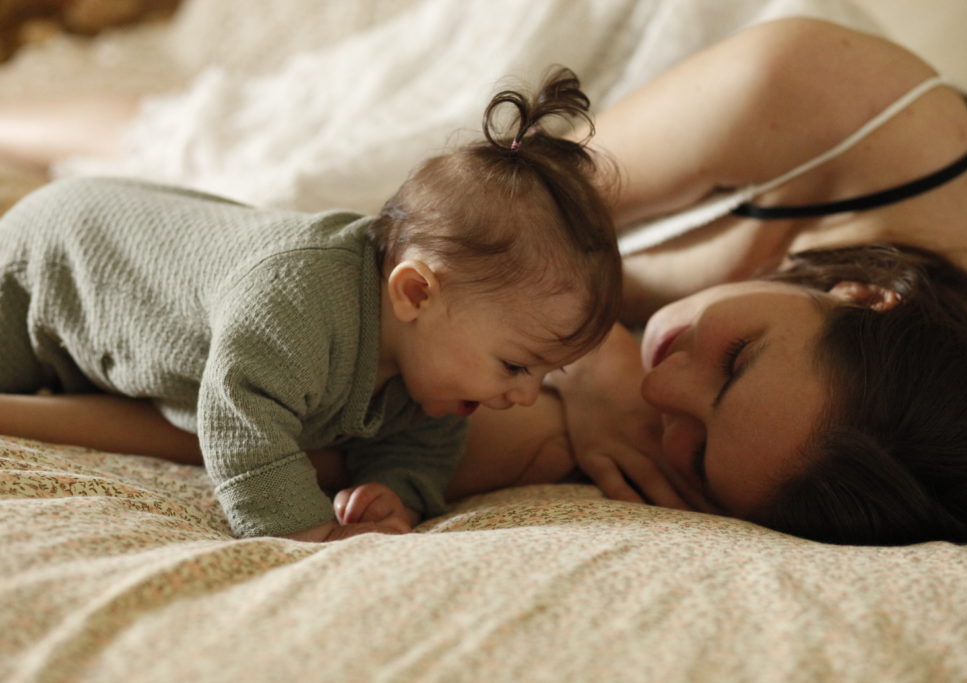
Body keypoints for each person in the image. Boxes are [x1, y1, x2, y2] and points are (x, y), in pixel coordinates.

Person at [2, 17, 967, 545]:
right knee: (271, 166)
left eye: (695, 445)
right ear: (862, 294)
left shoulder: (848, 461)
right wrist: (604, 361)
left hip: (475, 275)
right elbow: (514, 207)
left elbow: (290, 417)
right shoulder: (854, 110)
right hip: (549, 129)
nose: (667, 387)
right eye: (735, 359)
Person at [0, 67, 623, 543]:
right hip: (58, 265)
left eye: (544, 375)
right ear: (415, 293)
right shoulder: (296, 302)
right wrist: (301, 528)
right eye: (517, 366)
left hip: (101, 303)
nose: (521, 395)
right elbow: (238, 416)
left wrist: (392, 491)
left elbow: (419, 445)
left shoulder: (435, 368)